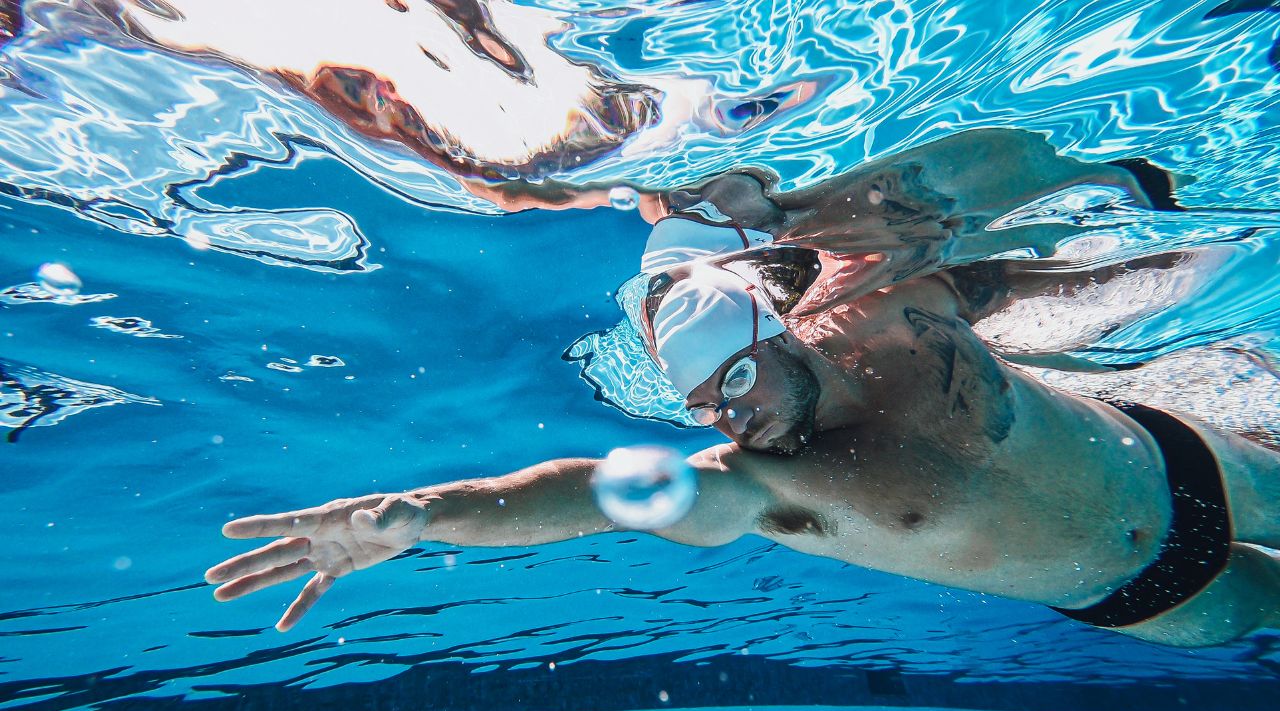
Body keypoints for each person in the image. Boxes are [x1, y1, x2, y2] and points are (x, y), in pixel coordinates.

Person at [205, 130, 1280, 648]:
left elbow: (966, 177)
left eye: (730, 382)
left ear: (780, 333)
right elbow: (586, 488)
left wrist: (768, 200)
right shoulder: (765, 486)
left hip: (1189, 457)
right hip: (1155, 601)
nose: (725, 415)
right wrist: (414, 517)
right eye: (703, 407)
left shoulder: (884, 312)